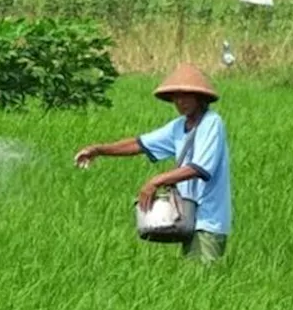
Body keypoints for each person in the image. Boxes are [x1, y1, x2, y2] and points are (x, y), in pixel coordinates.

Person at [75, 64, 232, 263]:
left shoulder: (211, 123)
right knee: (192, 280)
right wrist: (99, 150)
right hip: (187, 217)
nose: (180, 101)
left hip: (209, 220)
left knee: (204, 278)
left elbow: (200, 168)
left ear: (200, 97)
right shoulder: (178, 127)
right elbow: (139, 143)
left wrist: (156, 181)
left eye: (186, 96)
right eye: (176, 96)